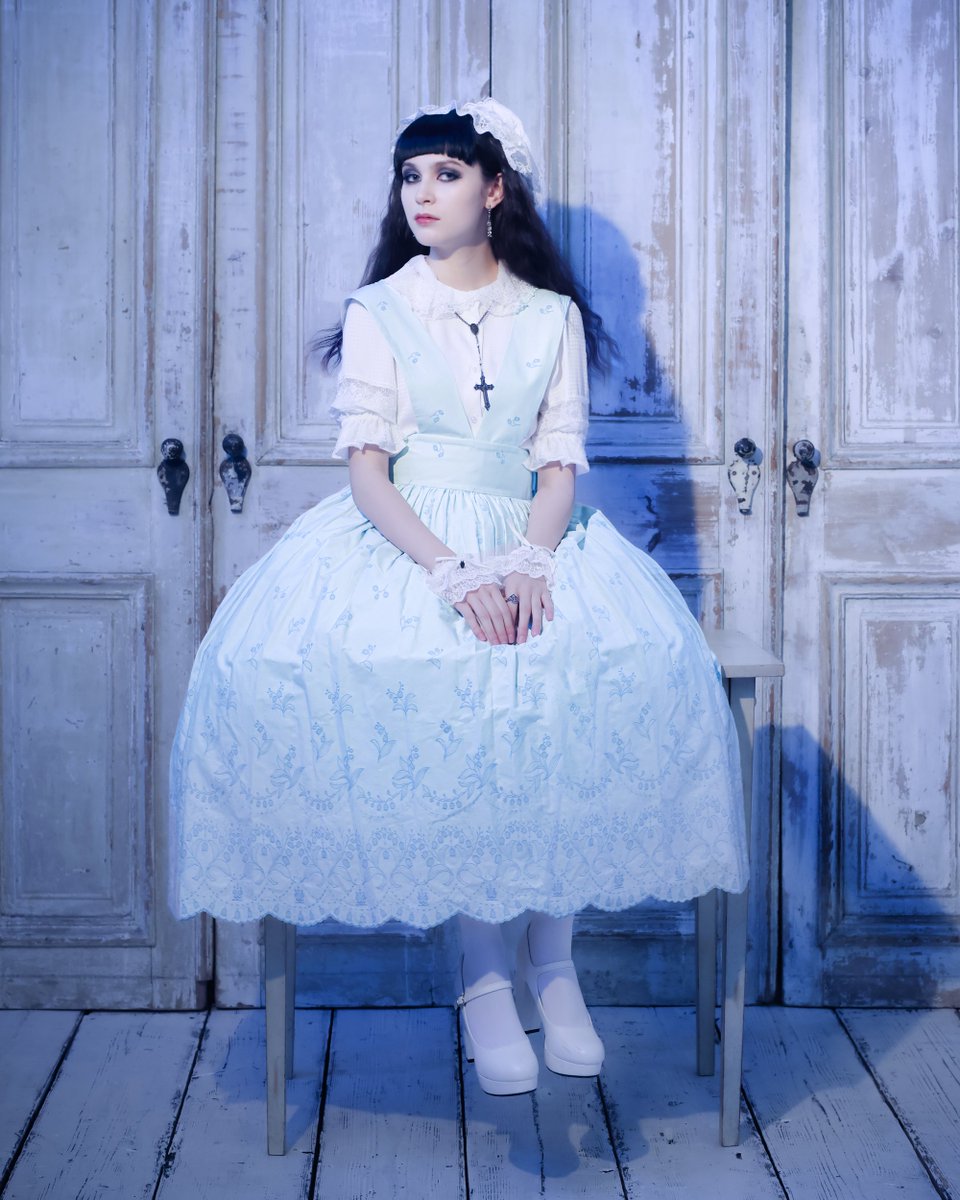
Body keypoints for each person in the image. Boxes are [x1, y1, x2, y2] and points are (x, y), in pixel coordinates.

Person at [168, 99, 748, 1097]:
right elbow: (368, 472)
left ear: (495, 189)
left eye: (445, 172)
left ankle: (553, 965)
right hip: (412, 538)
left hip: (532, 534)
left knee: (574, 679)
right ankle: (482, 978)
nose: (422, 194)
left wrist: (527, 564)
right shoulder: (381, 309)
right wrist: (454, 574)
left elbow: (557, 467)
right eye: (410, 176)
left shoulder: (551, 316)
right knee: (464, 692)